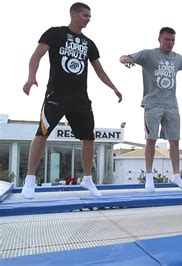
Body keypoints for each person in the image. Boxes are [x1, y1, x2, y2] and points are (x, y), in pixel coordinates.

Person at [21, 2, 123, 199]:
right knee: (42, 133)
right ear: (73, 13)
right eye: (85, 15)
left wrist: (114, 88)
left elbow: (99, 70)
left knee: (89, 138)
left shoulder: (89, 43)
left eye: (89, 17)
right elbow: (36, 55)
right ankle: (30, 179)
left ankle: (87, 179)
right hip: (56, 95)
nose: (88, 19)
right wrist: (31, 77)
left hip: (80, 98)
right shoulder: (54, 33)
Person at [119, 27, 182, 192]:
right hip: (152, 104)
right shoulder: (148, 54)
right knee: (151, 140)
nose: (170, 43)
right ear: (160, 39)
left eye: (172, 40)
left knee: (175, 141)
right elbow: (125, 56)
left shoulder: (177, 58)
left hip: (171, 105)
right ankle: (149, 177)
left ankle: (177, 175)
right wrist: (126, 59)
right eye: (167, 39)